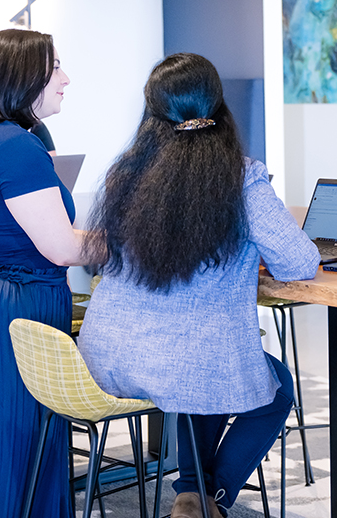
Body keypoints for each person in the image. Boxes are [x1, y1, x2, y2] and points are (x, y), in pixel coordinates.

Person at [77, 52, 321, 518]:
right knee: (275, 386)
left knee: (206, 375)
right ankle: (210, 499)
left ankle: (191, 493)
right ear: (219, 104)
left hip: (107, 354)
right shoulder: (242, 177)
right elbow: (299, 263)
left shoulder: (124, 174)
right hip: (187, 361)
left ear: (151, 111)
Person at [0, 29, 85, 517]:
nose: (64, 79)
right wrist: (136, 238)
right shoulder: (16, 148)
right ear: (23, 76)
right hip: (22, 309)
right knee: (21, 440)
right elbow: (63, 247)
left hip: (7, 303)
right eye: (54, 69)